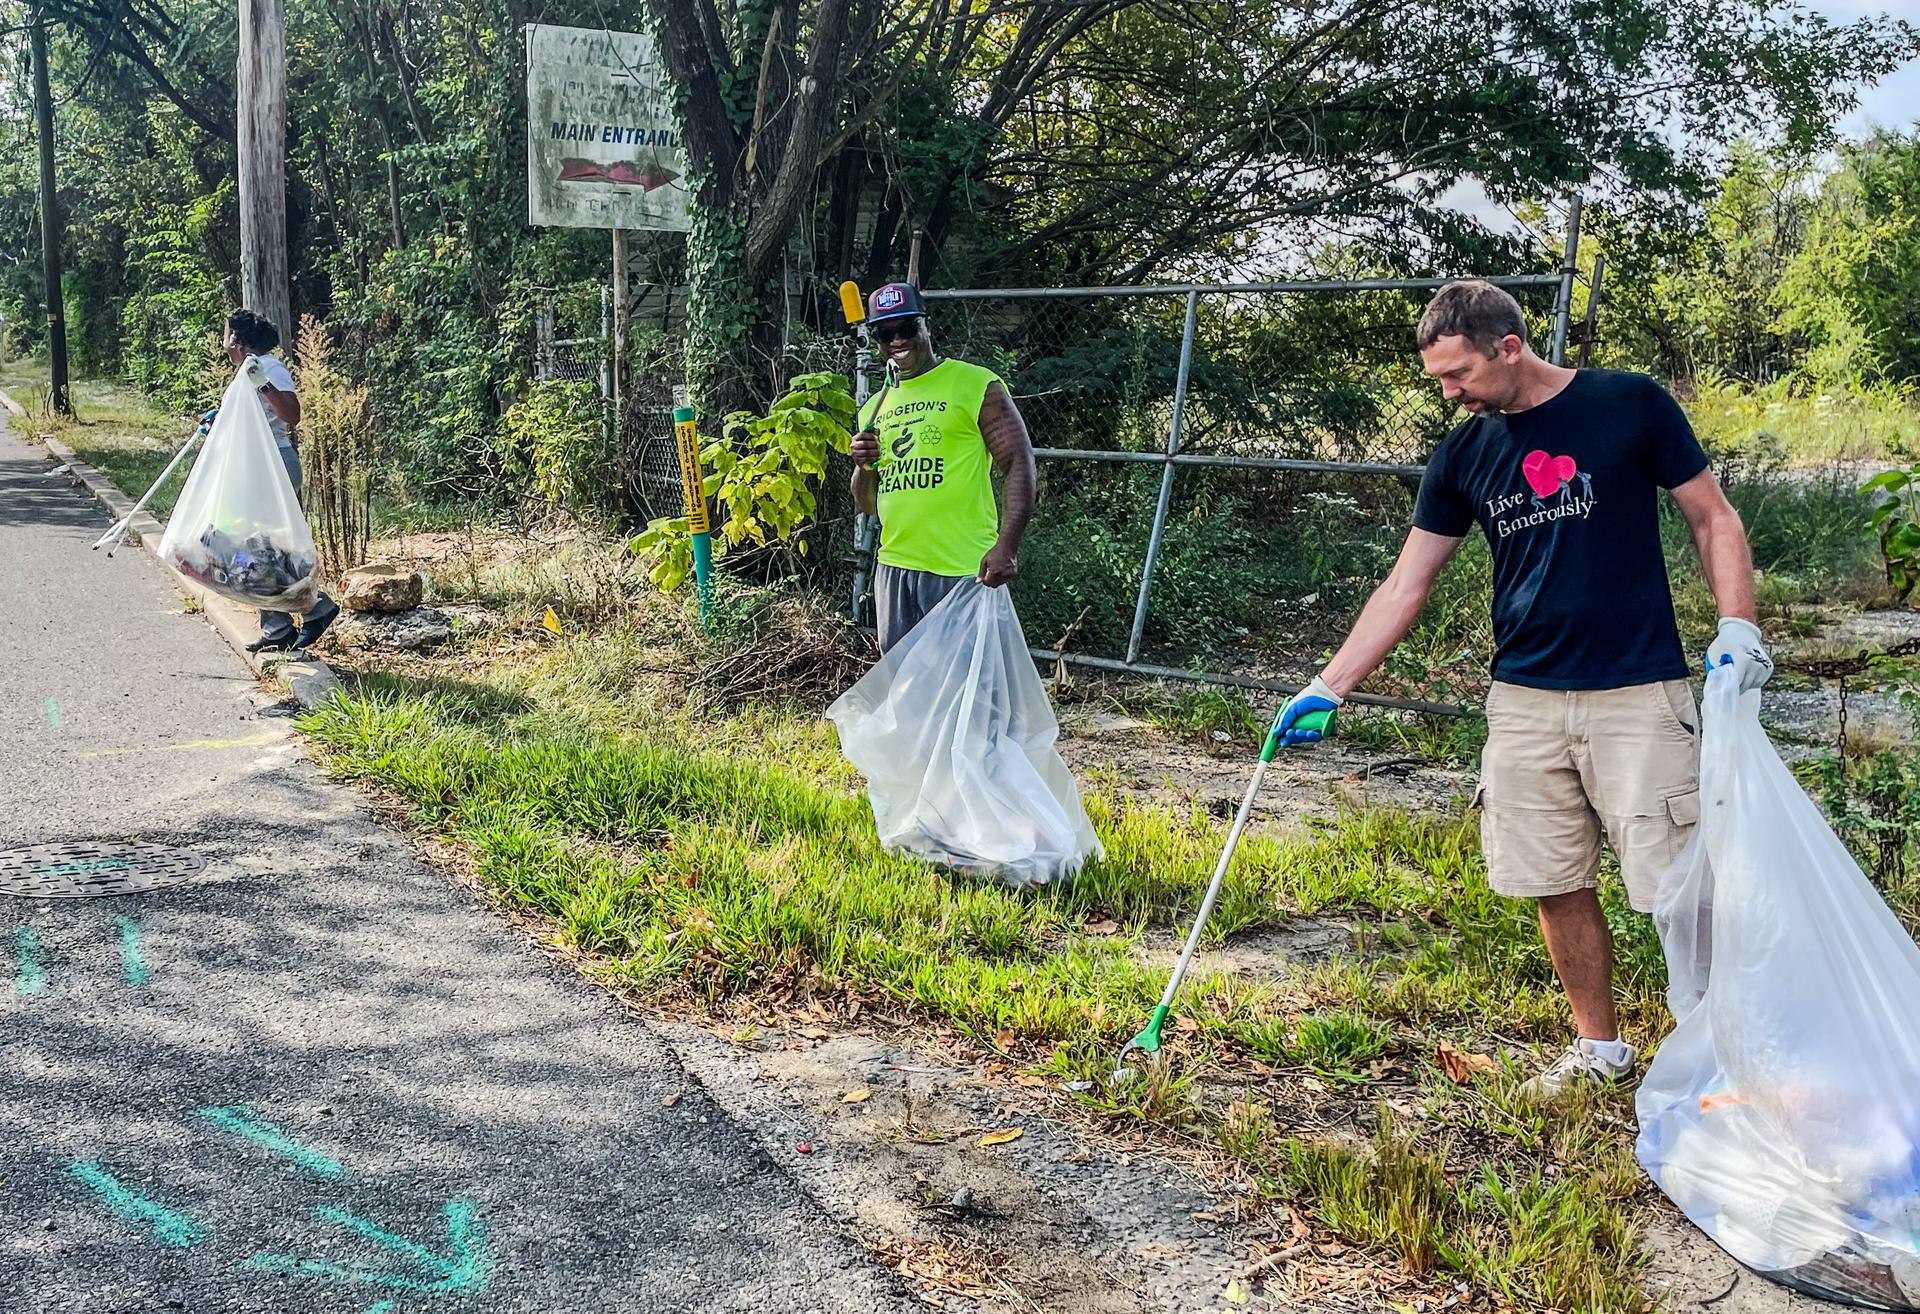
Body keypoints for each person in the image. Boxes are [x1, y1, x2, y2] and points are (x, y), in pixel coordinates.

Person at [1270, 280, 1773, 1098]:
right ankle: (1599, 1052)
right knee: (1552, 877)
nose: (1449, 393)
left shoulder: (1629, 404)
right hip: (1525, 700)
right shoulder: (1465, 453)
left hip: (1637, 691)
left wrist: (1738, 626)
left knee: (1682, 889)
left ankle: (1723, 1057)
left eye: (1458, 374)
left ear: (1510, 347)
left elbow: (1712, 516)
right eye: (1439, 379)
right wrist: (1329, 684)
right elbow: (1408, 583)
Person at [848, 283, 1038, 651]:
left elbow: (1018, 461)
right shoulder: (875, 406)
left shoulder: (975, 384)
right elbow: (868, 505)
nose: (898, 340)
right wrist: (864, 466)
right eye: (887, 333)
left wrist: (1007, 546)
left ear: (926, 327)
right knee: (906, 689)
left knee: (971, 692)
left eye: (908, 328)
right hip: (896, 567)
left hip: (963, 569)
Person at [221, 309, 339, 652]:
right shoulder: (245, 370)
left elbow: (291, 413)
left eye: (226, 333)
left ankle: (314, 608)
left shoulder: (267, 367)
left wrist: (263, 383)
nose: (223, 340)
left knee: (266, 548)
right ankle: (278, 628)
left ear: (238, 340)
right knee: (258, 547)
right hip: (256, 468)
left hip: (273, 467)